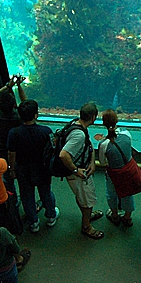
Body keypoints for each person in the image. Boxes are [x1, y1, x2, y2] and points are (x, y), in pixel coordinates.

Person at [7, 99, 59, 233]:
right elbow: (52, 149)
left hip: (23, 169)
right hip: (42, 168)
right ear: (36, 115)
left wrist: (12, 169)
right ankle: (51, 216)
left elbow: (11, 153)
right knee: (46, 193)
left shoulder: (14, 132)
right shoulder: (45, 131)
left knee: (26, 195)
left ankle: (33, 222)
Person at [58, 102, 104, 239]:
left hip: (82, 169)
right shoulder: (79, 135)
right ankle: (86, 226)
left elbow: (88, 146)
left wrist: (92, 162)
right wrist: (75, 170)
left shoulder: (76, 124)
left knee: (82, 197)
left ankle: (87, 216)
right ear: (93, 117)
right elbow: (63, 154)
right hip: (79, 175)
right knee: (87, 200)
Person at [97, 109, 135, 227]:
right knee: (128, 193)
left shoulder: (103, 144)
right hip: (128, 172)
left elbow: (103, 162)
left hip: (113, 174)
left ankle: (114, 215)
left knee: (111, 194)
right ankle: (127, 217)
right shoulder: (127, 134)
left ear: (103, 123)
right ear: (117, 120)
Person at [0, 75, 27, 162]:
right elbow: (25, 102)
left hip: (2, 145)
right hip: (19, 145)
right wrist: (18, 85)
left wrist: (8, 86)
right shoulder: (18, 117)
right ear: (14, 105)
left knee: (5, 161)